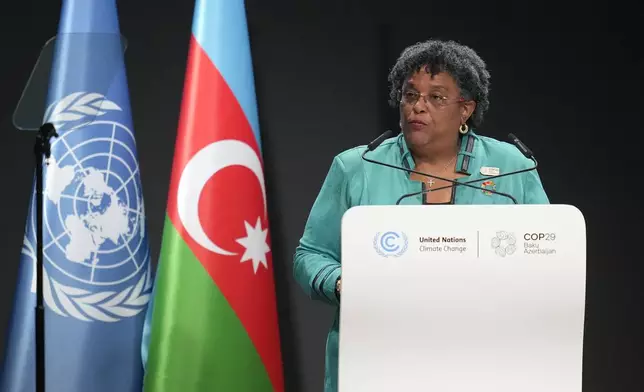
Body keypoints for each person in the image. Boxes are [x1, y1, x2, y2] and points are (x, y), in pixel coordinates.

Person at [292, 39, 549, 392]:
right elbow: (311, 254)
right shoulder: (358, 167)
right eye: (410, 95)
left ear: (466, 109)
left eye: (436, 98)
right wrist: (341, 282)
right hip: (377, 361)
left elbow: (549, 257)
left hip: (484, 360)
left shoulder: (512, 170)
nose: (418, 107)